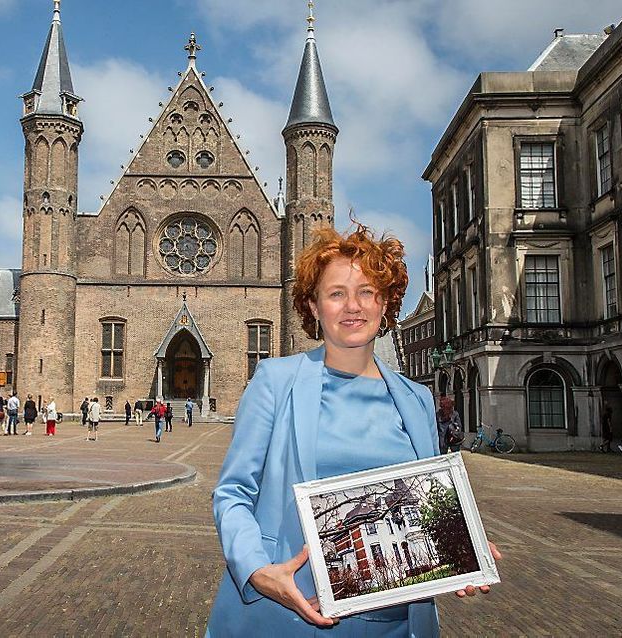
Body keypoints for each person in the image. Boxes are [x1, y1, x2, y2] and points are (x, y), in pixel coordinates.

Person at [207, 223, 500, 637]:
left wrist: (458, 546)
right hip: (288, 614)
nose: (353, 306)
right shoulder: (274, 382)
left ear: (385, 304)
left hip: (397, 624)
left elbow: (420, 501)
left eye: (367, 292)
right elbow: (233, 493)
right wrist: (257, 570)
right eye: (336, 293)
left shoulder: (416, 398)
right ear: (312, 306)